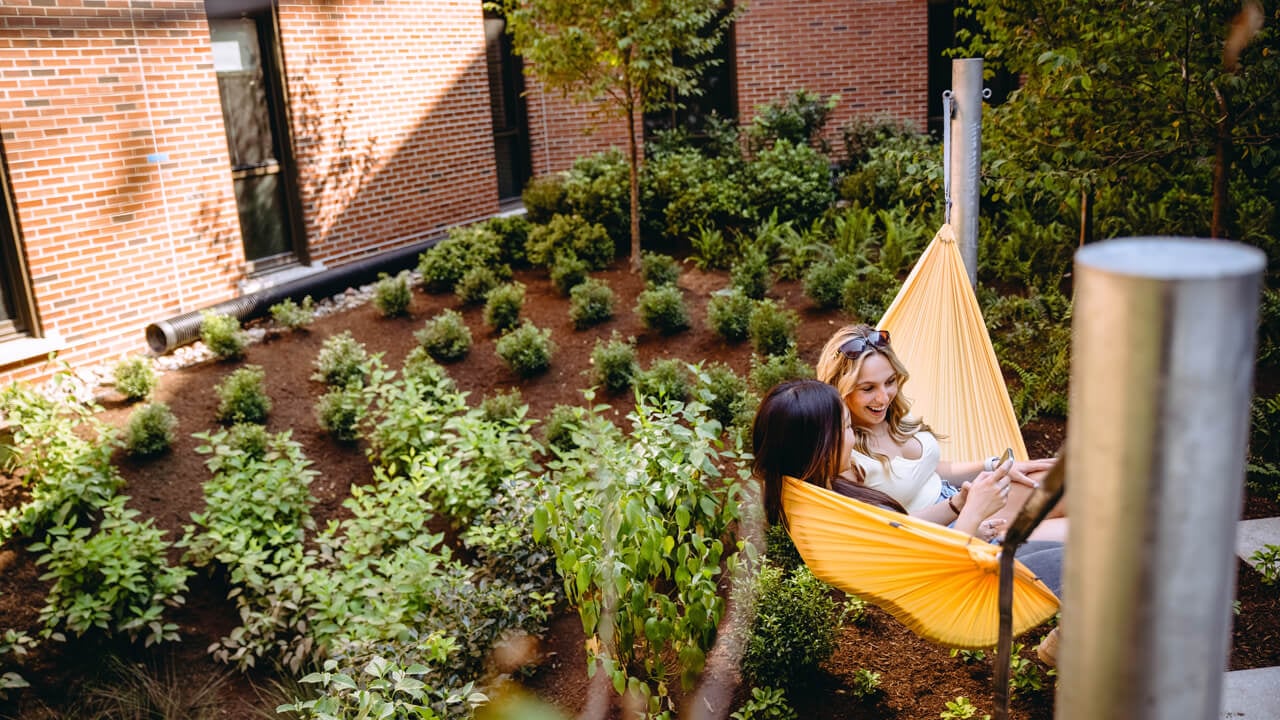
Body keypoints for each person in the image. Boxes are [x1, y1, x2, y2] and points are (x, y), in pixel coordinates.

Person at [751, 379, 1063, 664]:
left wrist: (957, 505)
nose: (854, 436)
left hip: (969, 560)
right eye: (847, 428)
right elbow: (937, 583)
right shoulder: (825, 525)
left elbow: (901, 534)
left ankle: (1062, 643)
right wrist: (973, 515)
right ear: (818, 444)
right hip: (965, 594)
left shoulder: (818, 496)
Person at [814, 324, 1066, 542]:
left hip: (959, 498)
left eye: (890, 382)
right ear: (839, 389)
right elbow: (889, 533)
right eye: (868, 388)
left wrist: (993, 466)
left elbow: (931, 469)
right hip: (948, 530)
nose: (883, 397)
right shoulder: (844, 455)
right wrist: (961, 508)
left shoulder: (888, 415)